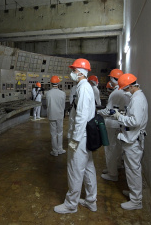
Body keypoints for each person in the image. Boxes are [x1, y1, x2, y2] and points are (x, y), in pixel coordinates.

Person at [54, 58, 97, 214]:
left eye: (73, 70)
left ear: (80, 72)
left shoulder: (84, 88)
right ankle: (91, 201)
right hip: (84, 137)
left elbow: (81, 117)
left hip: (80, 138)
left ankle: (71, 204)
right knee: (88, 168)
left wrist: (74, 141)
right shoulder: (83, 87)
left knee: (74, 169)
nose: (72, 73)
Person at [112, 73, 148, 210]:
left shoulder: (138, 99)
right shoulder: (136, 97)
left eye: (125, 89)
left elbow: (135, 121)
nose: (125, 92)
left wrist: (119, 117)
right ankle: (134, 193)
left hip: (133, 140)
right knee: (131, 169)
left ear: (131, 86)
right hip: (132, 139)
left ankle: (136, 201)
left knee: (133, 170)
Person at [98, 69, 129, 181]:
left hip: (112, 123)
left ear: (113, 79)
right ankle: (116, 166)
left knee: (110, 147)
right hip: (122, 123)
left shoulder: (116, 93)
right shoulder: (127, 92)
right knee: (118, 146)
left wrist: (98, 112)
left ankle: (112, 173)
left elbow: (108, 110)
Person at [46, 76, 66, 156]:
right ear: (58, 83)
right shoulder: (62, 93)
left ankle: (55, 151)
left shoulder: (48, 93)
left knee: (53, 133)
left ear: (51, 83)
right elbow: (63, 105)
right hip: (60, 115)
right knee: (60, 132)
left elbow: (48, 105)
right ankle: (60, 149)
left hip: (51, 115)